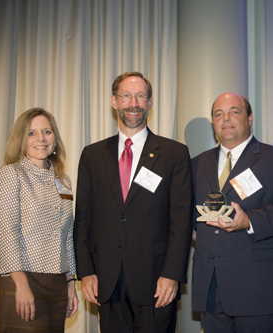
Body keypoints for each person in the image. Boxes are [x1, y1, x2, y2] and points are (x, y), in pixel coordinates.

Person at [74, 72, 193, 332]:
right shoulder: (92, 155)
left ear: (150, 102)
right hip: (106, 279)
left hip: (155, 280)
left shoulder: (174, 154)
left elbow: (181, 220)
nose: (133, 102)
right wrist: (86, 271)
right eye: (126, 96)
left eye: (140, 96)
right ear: (114, 102)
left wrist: (172, 274)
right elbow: (83, 219)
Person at [192, 92, 273, 332]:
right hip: (211, 290)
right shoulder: (196, 164)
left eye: (234, 111)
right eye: (219, 114)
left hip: (261, 291)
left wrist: (250, 221)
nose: (226, 118)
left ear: (250, 118)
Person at [0, 108, 78, 333]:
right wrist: (21, 284)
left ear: (55, 139)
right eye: (32, 133)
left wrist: (70, 283)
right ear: (21, 140)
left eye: (47, 131)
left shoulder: (64, 182)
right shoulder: (11, 174)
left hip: (57, 284)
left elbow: (68, 236)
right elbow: (5, 233)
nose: (40, 139)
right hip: (22, 278)